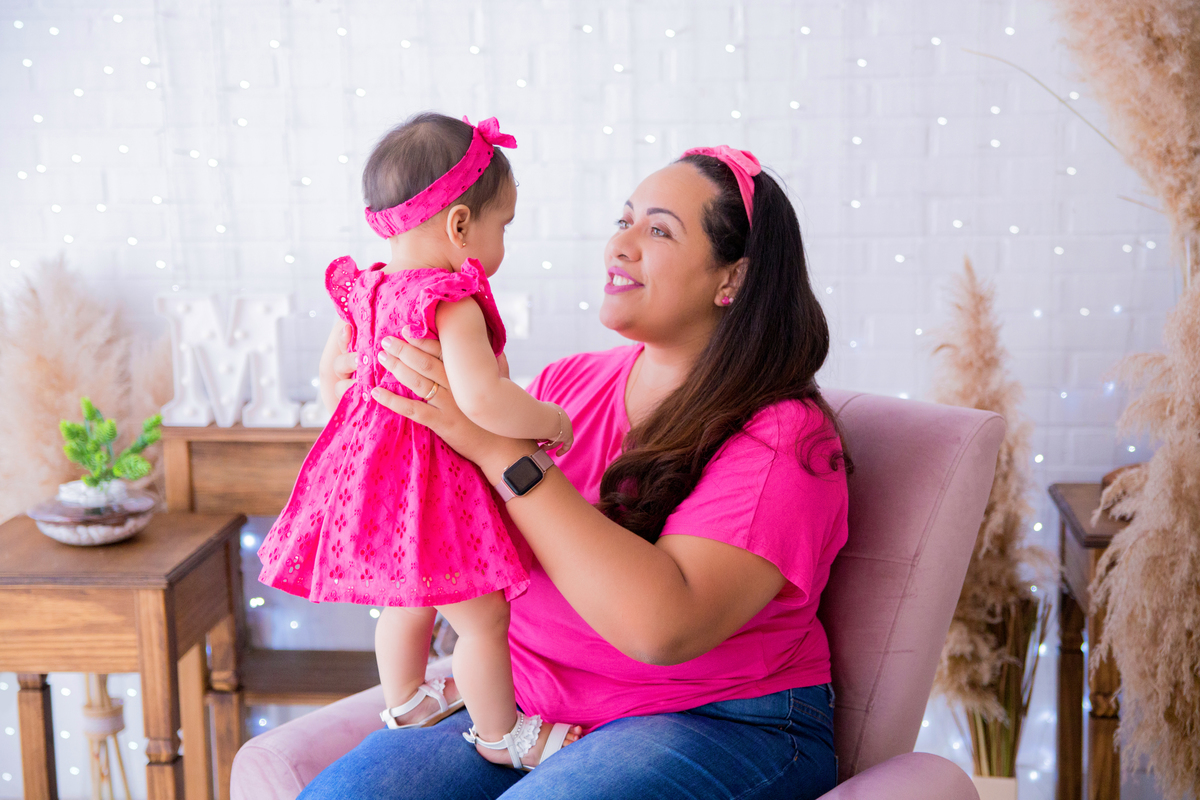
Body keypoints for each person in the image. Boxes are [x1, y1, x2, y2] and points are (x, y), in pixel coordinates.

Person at [301, 144, 851, 800]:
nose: (619, 246)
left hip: (711, 717)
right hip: (525, 704)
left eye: (658, 230)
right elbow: (454, 516)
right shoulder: (568, 384)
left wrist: (504, 452)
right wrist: (379, 419)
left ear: (731, 278)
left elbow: (661, 627)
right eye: (624, 221)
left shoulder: (783, 437)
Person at [257, 112, 579, 771]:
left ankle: (405, 699)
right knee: (483, 618)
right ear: (461, 225)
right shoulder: (449, 300)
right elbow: (482, 399)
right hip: (430, 483)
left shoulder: (367, 291)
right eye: (503, 227)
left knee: (408, 597)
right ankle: (501, 734)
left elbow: (335, 382)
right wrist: (551, 420)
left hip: (369, 477)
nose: (502, 244)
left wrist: (359, 439)